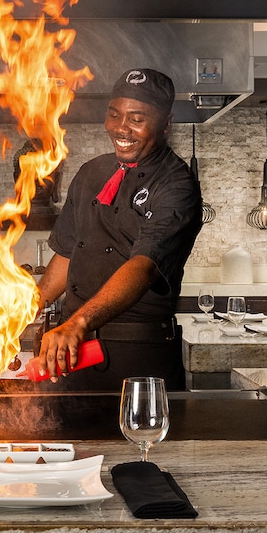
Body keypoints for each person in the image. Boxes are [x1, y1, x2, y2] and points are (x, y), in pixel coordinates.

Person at [33, 67, 203, 390]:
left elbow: (144, 266)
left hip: (138, 357)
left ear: (166, 124)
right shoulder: (90, 173)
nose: (121, 128)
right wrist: (27, 308)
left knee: (138, 425)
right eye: (114, 115)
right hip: (72, 355)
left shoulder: (176, 184)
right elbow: (69, 253)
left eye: (136, 119)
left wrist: (78, 323)